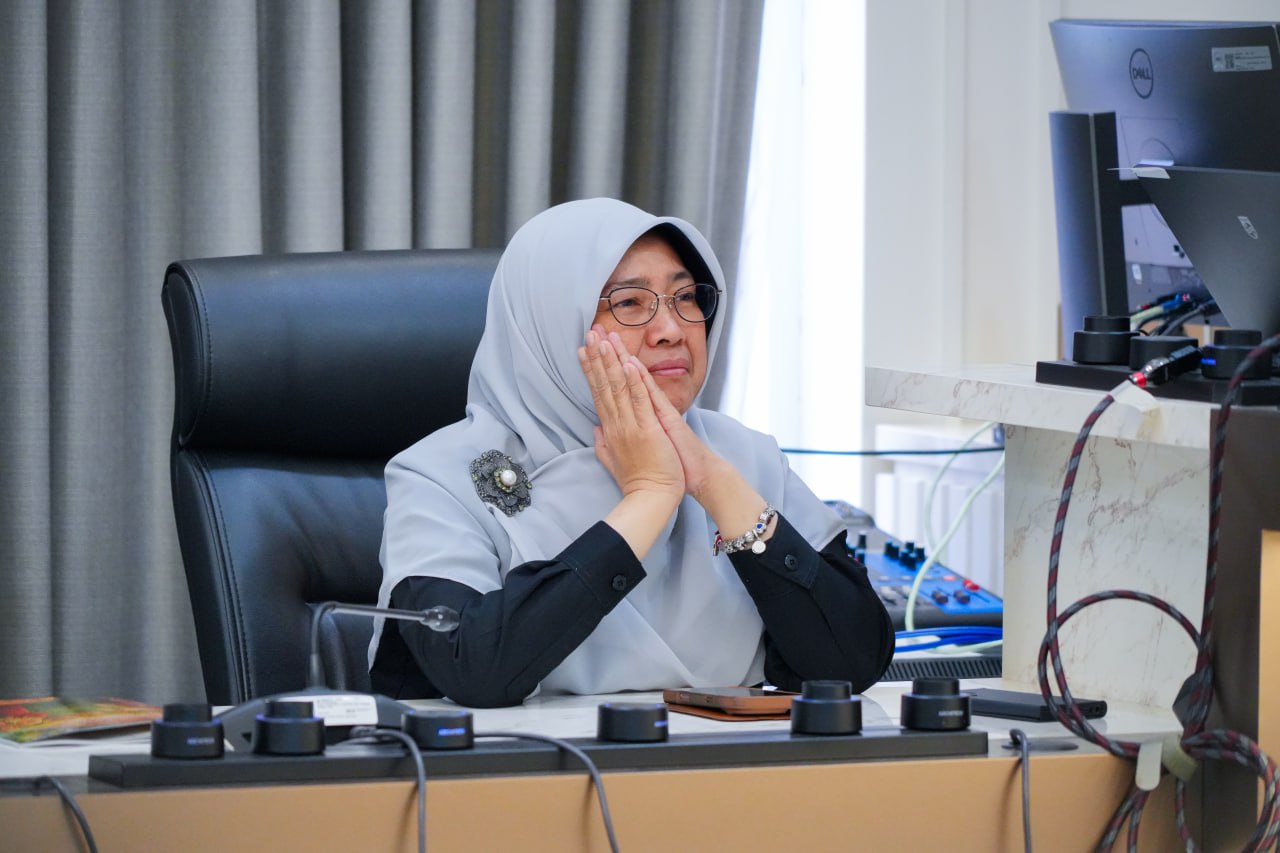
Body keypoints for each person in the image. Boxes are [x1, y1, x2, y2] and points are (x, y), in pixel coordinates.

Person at [369, 198, 893, 707]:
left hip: (729, 758)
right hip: (523, 762)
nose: (672, 331)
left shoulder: (744, 457)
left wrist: (714, 486)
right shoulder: (439, 476)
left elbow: (851, 664)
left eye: (686, 297)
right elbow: (474, 668)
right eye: (629, 303)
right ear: (548, 327)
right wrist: (650, 496)